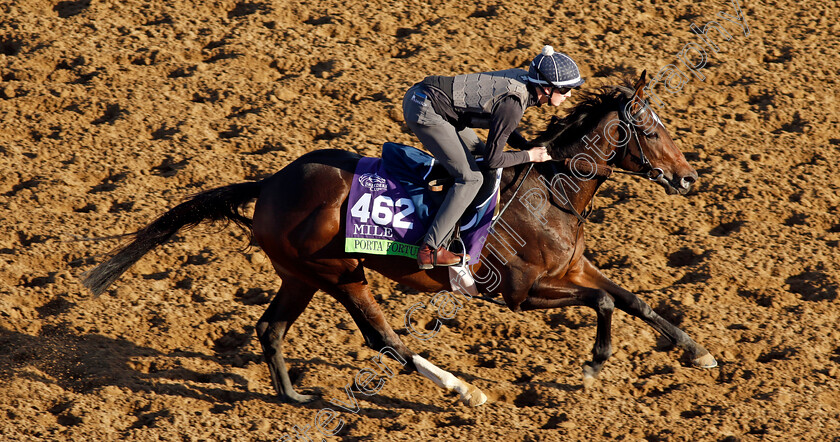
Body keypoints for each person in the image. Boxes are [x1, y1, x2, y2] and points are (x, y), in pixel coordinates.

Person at [402, 45, 585, 269]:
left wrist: (525, 146)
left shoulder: (524, 81)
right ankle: (430, 250)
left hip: (440, 104)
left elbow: (501, 127)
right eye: (565, 89)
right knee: (471, 179)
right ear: (546, 89)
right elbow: (493, 160)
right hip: (425, 108)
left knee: (477, 150)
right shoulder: (514, 104)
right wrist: (528, 155)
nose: (568, 95)